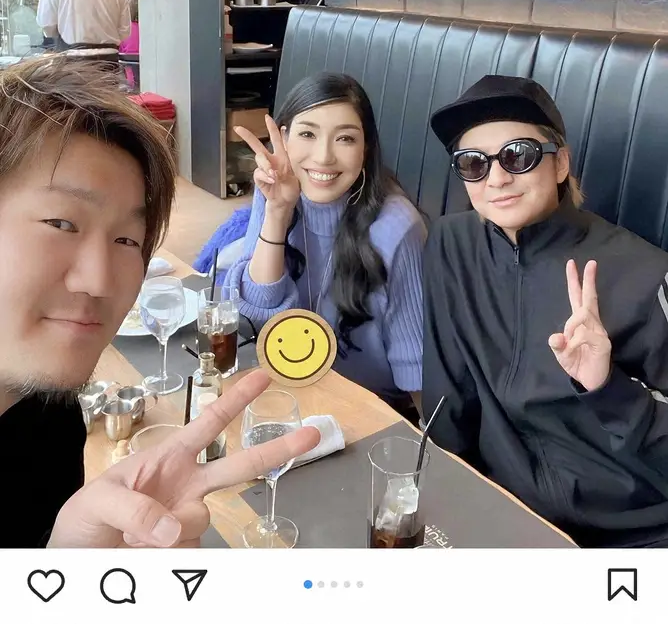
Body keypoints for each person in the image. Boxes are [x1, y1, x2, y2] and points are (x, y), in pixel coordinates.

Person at [0, 57, 318, 547]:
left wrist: (69, 564)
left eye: (128, 240)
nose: (100, 280)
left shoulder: (47, 411)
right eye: (61, 223)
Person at [423, 74, 668, 548]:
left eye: (518, 155)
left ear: (560, 164)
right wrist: (439, 494)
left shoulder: (646, 274)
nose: (496, 178)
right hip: (508, 508)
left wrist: (607, 388)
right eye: (473, 163)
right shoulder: (452, 245)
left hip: (633, 531)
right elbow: (448, 394)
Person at [225, 72, 426, 421]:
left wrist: (430, 440)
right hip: (289, 386)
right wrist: (278, 212)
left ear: (366, 149)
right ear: (283, 138)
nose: (323, 157)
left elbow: (414, 360)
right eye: (307, 134)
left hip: (370, 408)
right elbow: (253, 315)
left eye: (345, 138)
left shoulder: (398, 227)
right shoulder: (275, 192)